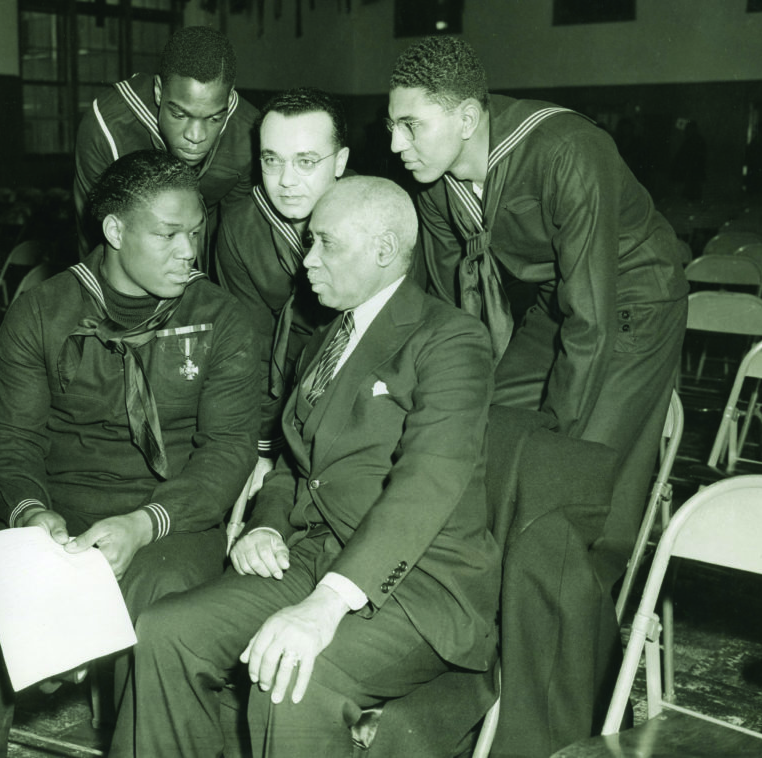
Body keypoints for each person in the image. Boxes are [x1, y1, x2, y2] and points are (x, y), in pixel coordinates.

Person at [112, 176, 501, 757]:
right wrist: (266, 522)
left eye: (325, 244)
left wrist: (324, 605)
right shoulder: (327, 336)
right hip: (313, 553)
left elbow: (428, 483)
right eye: (307, 242)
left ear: (385, 250)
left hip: (416, 584)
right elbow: (299, 466)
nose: (307, 260)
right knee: (165, 633)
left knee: (290, 681)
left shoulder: (450, 340)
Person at [0, 150, 260, 758]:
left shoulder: (221, 318)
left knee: (157, 602)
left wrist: (145, 523)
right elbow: (10, 437)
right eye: (167, 234)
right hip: (59, 509)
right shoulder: (43, 309)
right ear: (114, 231)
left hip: (172, 518)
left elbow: (228, 450)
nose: (188, 251)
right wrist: (31, 514)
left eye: (195, 232)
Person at [387, 36, 688, 591]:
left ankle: (569, 605)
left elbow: (593, 319)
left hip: (635, 298)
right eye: (391, 125)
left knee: (580, 463)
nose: (395, 143)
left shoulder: (567, 148)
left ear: (469, 118)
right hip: (564, 296)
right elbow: (450, 305)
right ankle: (482, 582)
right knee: (480, 421)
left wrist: (554, 442)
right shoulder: (433, 185)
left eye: (411, 125)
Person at [215, 87, 349, 514]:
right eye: (271, 160)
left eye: (306, 162)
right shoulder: (239, 227)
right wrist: (261, 451)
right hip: (278, 394)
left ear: (341, 162)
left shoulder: (375, 216)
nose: (286, 180)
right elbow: (250, 351)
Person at [73, 25, 259, 265]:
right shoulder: (107, 127)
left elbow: (236, 245)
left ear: (230, 99)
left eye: (214, 119)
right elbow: (93, 241)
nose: (195, 136)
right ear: (159, 92)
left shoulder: (249, 134)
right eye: (180, 115)